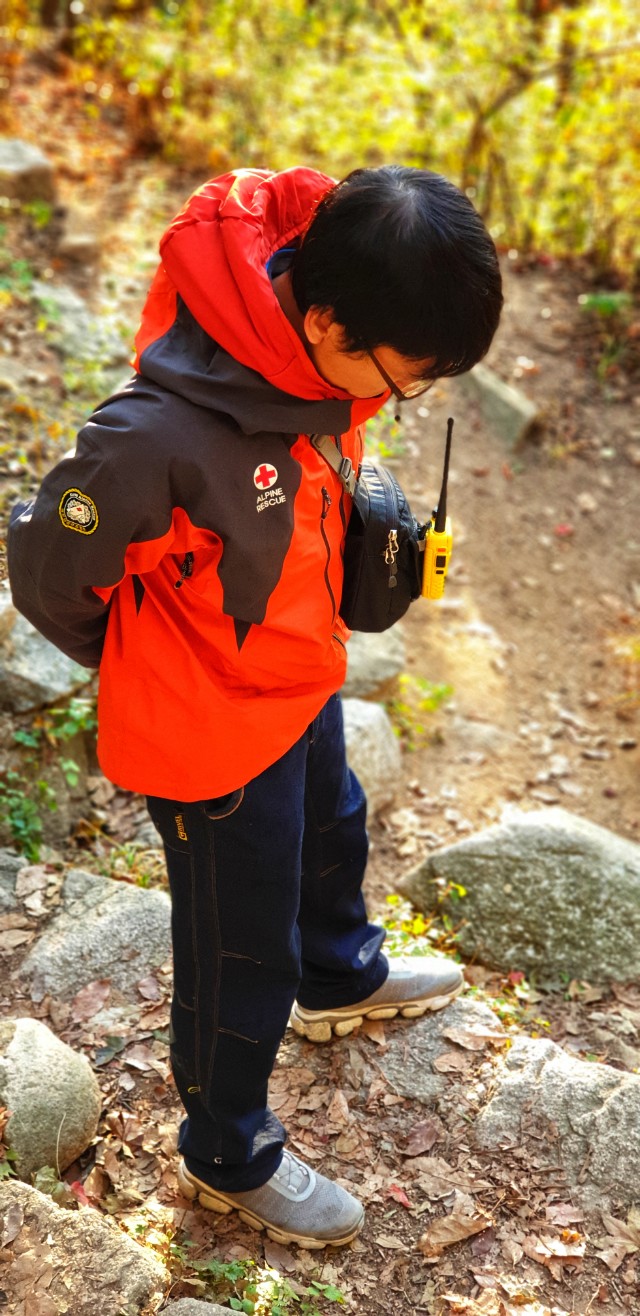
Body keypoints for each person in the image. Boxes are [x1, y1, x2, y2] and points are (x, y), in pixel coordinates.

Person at [8, 165, 503, 1249]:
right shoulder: (154, 439)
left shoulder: (317, 351)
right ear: (325, 322)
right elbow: (48, 570)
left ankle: (340, 972)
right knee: (238, 950)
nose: (400, 397)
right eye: (404, 376)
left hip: (300, 678)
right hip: (210, 736)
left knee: (334, 827)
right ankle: (227, 1150)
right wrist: (147, 658)